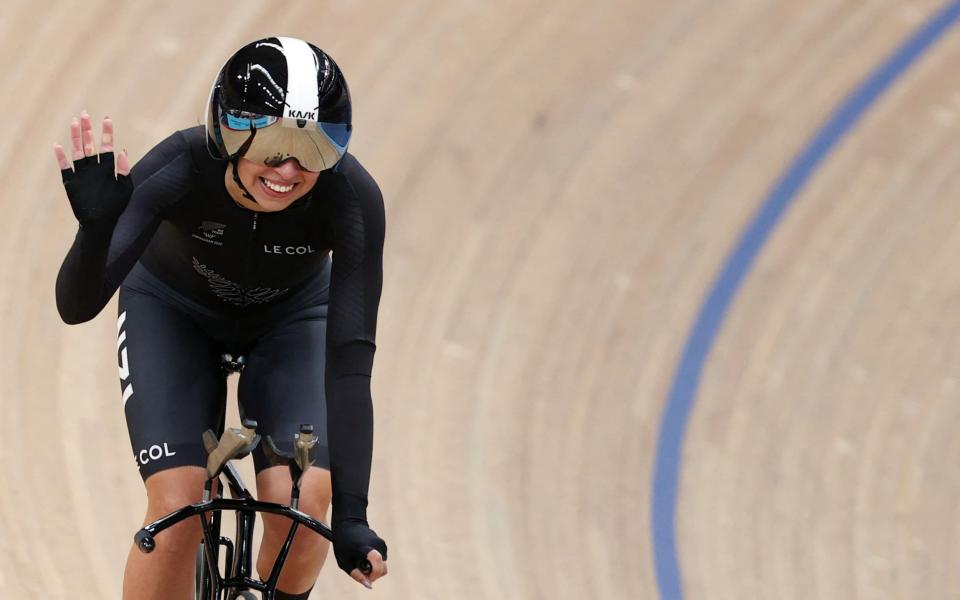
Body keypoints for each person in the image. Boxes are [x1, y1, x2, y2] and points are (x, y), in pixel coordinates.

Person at [53, 36, 388, 600]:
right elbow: (75, 306)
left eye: (314, 149)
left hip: (291, 323)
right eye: (274, 142)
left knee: (307, 508)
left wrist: (352, 516)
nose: (290, 167)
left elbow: (351, 367)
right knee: (177, 508)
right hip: (173, 313)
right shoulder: (179, 166)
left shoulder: (352, 198)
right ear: (228, 131)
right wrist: (94, 235)